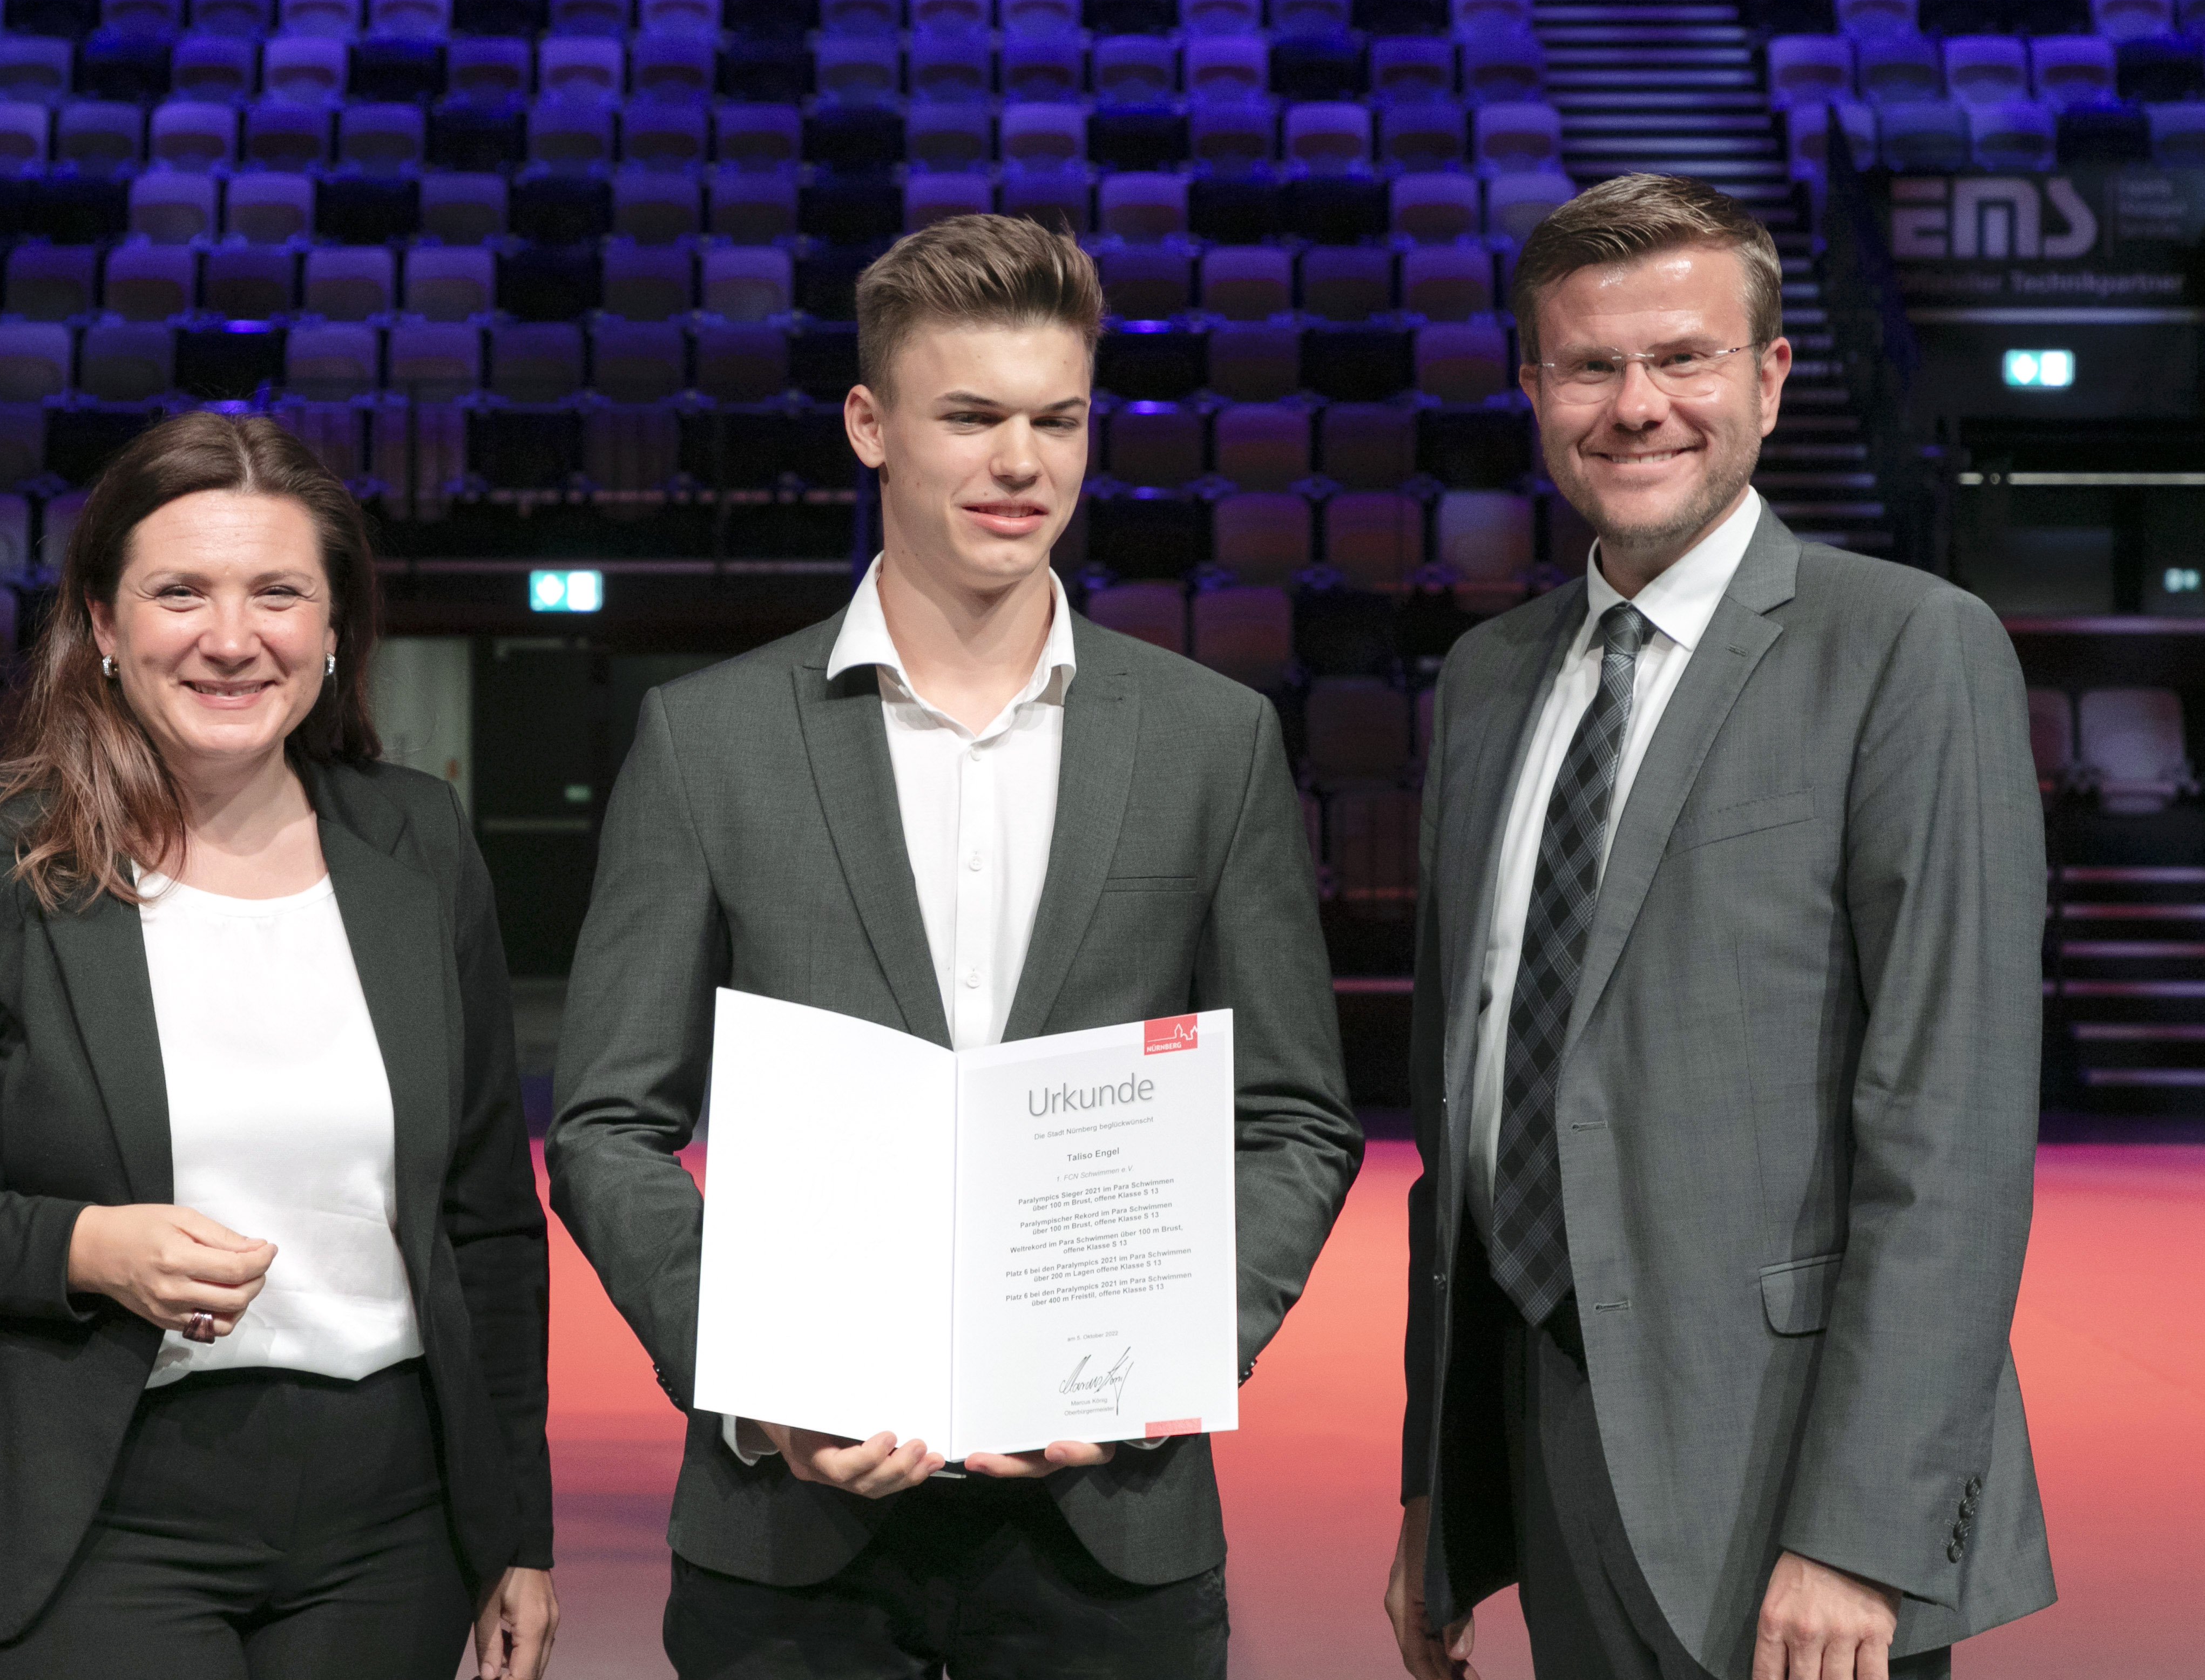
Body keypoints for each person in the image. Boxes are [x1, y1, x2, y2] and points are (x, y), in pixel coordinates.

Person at [546, 212, 1361, 1677]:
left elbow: (1295, 1117)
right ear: (870, 425)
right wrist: (756, 1381)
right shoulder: (707, 740)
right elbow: (608, 1123)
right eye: (971, 417)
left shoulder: (1212, 741)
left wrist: (1161, 1358)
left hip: (1108, 1522)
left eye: (1057, 419)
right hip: (787, 1524)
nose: (1020, 462)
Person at [1383, 172, 2055, 1680]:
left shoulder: (1905, 649)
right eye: (1589, 365)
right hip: (1546, 1424)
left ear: (1767, 377)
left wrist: (1863, 1530)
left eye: (1682, 357)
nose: (1636, 405)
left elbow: (1947, 1126)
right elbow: (1459, 1114)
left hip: (1786, 1466)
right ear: (1533, 389)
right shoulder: (1486, 681)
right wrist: (1438, 1485)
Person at [0, 413, 558, 1679]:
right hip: (82, 1506)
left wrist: (514, 1524)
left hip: (390, 1523)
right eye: (180, 591)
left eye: (278, 593)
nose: (231, 636)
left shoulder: (417, 838)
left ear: (334, 626)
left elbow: (486, 1221)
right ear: (102, 619)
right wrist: (85, 1247)